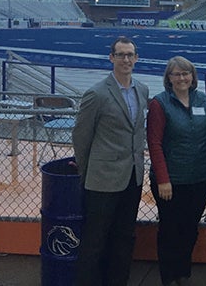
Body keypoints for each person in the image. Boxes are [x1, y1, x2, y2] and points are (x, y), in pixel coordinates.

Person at [72, 36, 149, 286]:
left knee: (124, 238)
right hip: (102, 179)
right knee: (95, 241)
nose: (126, 59)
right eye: (121, 55)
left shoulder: (142, 89)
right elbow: (81, 137)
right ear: (111, 58)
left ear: (136, 58)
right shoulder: (96, 93)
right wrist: (88, 171)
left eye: (130, 55)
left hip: (132, 176)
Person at [147, 56, 206, 286]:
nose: (182, 78)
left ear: (192, 76)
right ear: (168, 78)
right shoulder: (160, 104)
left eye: (185, 73)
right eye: (176, 74)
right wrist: (163, 179)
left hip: (200, 178)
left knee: (189, 230)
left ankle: (183, 273)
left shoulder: (202, 100)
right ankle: (169, 277)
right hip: (172, 181)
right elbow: (155, 143)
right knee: (170, 231)